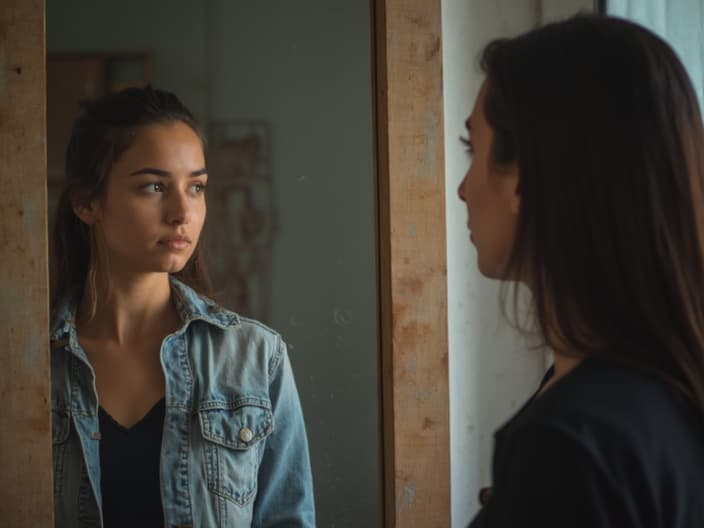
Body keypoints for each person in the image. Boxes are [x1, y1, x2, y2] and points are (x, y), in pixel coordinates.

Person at [458, 14, 704, 527]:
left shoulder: (571, 445)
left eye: (472, 149)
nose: (462, 188)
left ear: (523, 178)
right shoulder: (667, 392)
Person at [49, 87, 315, 527]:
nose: (182, 212)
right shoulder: (29, 366)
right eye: (153, 186)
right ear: (86, 201)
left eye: (196, 187)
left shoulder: (254, 357)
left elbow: (287, 518)